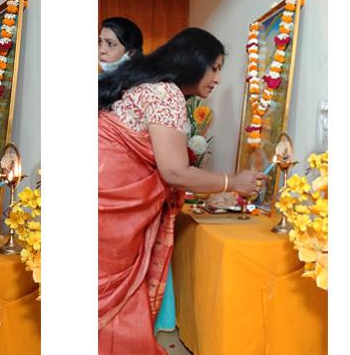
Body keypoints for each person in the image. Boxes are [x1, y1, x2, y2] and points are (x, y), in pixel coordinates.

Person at [98, 27, 264, 354]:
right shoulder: (166, 94)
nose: (217, 79)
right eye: (215, 68)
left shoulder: (143, 86)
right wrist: (235, 182)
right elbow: (174, 171)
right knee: (112, 304)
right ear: (193, 61)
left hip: (102, 199)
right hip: (110, 211)